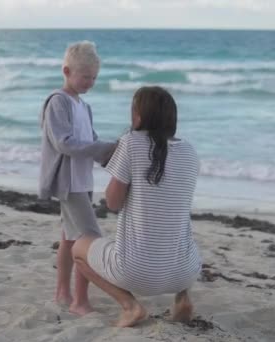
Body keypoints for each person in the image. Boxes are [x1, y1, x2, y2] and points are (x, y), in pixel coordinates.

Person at [71, 86, 202, 327]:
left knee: (79, 249)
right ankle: (183, 297)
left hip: (137, 273)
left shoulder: (131, 143)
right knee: (180, 236)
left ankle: (130, 306)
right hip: (186, 271)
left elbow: (112, 202)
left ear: (138, 116)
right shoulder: (190, 152)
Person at [38, 41, 116, 315]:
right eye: (85, 76)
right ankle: (80, 301)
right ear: (67, 71)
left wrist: (117, 155)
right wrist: (106, 147)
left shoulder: (84, 106)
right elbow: (65, 144)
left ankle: (62, 292)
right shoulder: (58, 102)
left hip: (83, 181)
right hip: (68, 182)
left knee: (70, 239)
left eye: (94, 77)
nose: (90, 82)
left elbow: (92, 143)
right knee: (90, 238)